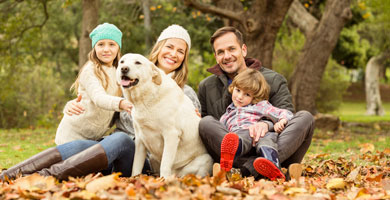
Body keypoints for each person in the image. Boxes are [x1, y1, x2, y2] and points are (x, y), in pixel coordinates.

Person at [0, 24, 199, 181]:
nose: (173, 54)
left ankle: (43, 177)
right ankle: (10, 175)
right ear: (158, 48)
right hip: (107, 149)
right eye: (169, 47)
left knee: (122, 140)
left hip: (139, 158)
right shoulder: (129, 74)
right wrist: (70, 105)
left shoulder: (185, 93)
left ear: (185, 58)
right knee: (82, 145)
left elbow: (191, 133)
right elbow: (101, 100)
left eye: (180, 51)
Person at [198, 26, 315, 180]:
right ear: (216, 56)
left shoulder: (273, 79)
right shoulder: (206, 86)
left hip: (271, 145)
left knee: (305, 118)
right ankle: (262, 169)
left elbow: (287, 115)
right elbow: (208, 134)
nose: (226, 56)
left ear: (243, 50)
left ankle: (252, 168)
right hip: (235, 150)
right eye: (220, 52)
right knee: (205, 123)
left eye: (232, 49)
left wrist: (266, 123)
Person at [218, 68, 293, 180]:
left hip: (262, 134)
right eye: (238, 90)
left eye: (247, 94)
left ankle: (271, 164)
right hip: (242, 138)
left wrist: (282, 120)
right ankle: (233, 150)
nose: (239, 97)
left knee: (267, 139)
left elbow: (285, 112)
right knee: (240, 135)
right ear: (232, 88)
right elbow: (221, 130)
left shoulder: (261, 106)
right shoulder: (227, 115)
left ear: (254, 97)